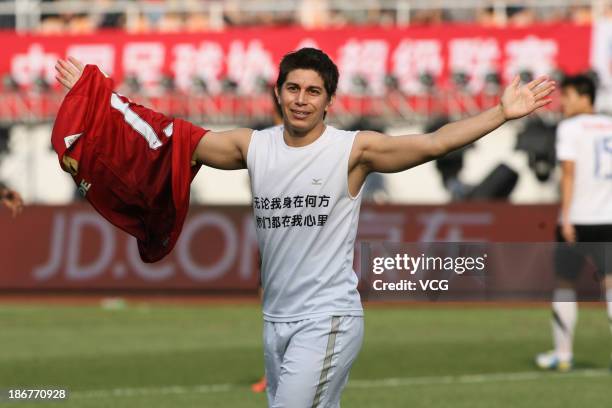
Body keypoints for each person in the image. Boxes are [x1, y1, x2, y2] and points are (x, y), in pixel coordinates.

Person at [55, 48, 554, 407]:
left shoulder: (353, 151)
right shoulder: (252, 147)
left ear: (328, 100)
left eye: (313, 91)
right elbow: (166, 138)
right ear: (278, 92)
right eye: (293, 88)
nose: (301, 99)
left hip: (328, 318)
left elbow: (433, 144)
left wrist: (501, 114)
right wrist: (99, 100)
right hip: (275, 323)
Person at [536, 75, 612, 372]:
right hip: (609, 218)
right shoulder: (610, 124)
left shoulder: (569, 128)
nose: (562, 102)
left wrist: (565, 217)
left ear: (585, 97)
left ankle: (563, 353)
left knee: (564, 284)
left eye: (566, 95)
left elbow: (568, 172)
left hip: (578, 218)